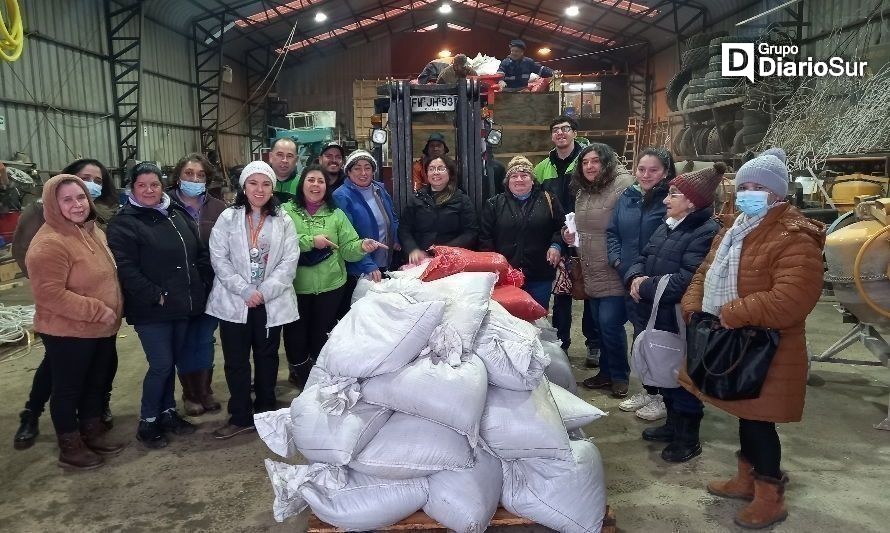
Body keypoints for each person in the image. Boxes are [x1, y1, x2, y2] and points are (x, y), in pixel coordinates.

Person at [679, 148, 824, 529]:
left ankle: (769, 496)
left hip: (768, 348)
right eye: (744, 185)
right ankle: (746, 480)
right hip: (734, 341)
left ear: (779, 193)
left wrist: (732, 313)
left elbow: (793, 298)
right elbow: (703, 274)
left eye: (759, 186)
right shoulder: (734, 228)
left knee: (760, 422)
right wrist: (695, 306)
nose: (748, 192)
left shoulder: (795, 236)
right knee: (745, 414)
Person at [13, 158, 120, 450]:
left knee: (94, 386)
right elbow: (50, 294)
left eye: (82, 197)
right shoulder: (49, 243)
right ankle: (70, 448)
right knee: (68, 390)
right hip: (70, 330)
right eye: (68, 199)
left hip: (99, 330)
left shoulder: (92, 231)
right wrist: (98, 310)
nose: (78, 204)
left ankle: (92, 434)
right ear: (52, 204)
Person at [107, 162, 213, 450]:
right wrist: (155, 294)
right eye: (142, 185)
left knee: (171, 363)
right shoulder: (125, 222)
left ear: (162, 185)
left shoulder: (175, 214)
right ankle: (148, 420)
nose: (149, 190)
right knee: (161, 364)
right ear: (132, 188)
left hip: (182, 304)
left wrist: (201, 282)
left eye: (153, 184)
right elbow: (125, 268)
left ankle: (167, 414)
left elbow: (198, 252)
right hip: (153, 309)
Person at [624, 163, 723, 463]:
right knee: (663, 370)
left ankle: (687, 438)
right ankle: (671, 426)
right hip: (657, 312)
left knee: (682, 377)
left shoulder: (705, 232)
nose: (666, 200)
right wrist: (634, 277)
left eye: (674, 195)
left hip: (679, 317)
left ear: (691, 201)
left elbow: (689, 278)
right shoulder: (670, 224)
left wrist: (645, 287)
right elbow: (643, 255)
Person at [205, 161, 300, 439]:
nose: (259, 189)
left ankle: (266, 411)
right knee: (236, 360)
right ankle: (240, 415)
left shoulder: (282, 219)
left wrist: (265, 291)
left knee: (267, 357)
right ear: (243, 187)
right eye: (253, 183)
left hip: (270, 302)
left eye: (266, 184)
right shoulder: (228, 218)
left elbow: (289, 261)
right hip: (236, 301)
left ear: (273, 188)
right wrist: (244, 290)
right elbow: (218, 257)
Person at [283, 164, 386, 387]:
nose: (316, 185)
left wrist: (362, 246)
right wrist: (311, 242)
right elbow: (279, 243)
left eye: (320, 181)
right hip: (295, 287)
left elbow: (347, 248)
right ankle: (302, 378)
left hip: (330, 287)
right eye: (311, 180)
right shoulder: (286, 212)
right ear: (302, 184)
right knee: (296, 339)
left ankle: (318, 381)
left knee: (322, 336)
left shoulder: (336, 214)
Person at [607, 147, 677, 420]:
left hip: (656, 280)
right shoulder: (628, 196)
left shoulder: (670, 200)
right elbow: (612, 232)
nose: (646, 175)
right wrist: (617, 261)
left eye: (654, 170)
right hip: (628, 275)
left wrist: (647, 274)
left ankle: (663, 396)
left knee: (659, 338)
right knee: (640, 336)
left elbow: (671, 239)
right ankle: (649, 390)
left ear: (665, 172)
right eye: (641, 169)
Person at [562, 143, 634, 398]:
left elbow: (628, 228)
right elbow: (585, 227)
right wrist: (571, 236)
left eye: (595, 161)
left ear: (606, 163)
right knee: (600, 326)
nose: (590, 166)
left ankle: (619, 375)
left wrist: (621, 262)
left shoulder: (623, 186)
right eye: (585, 162)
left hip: (613, 266)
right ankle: (606, 372)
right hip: (590, 266)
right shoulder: (585, 190)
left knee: (610, 323)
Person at [166, 154, 227, 417]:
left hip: (211, 284)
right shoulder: (164, 205)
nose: (194, 179)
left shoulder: (218, 208)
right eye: (189, 174)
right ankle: (189, 393)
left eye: (200, 175)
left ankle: (205, 390)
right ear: (178, 176)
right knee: (184, 341)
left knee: (203, 339)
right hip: (179, 286)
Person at [537, 116, 599, 367]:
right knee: (561, 293)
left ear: (574, 132)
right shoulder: (542, 167)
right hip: (559, 237)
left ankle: (593, 344)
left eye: (565, 129)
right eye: (555, 130)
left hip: (588, 236)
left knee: (590, 291)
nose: (560, 133)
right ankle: (561, 342)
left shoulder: (587, 162)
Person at [480, 155, 565, 310]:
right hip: (506, 278)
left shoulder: (549, 200)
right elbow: (485, 238)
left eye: (524, 175)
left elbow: (561, 227)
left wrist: (556, 245)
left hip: (539, 275)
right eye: (514, 176)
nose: (519, 179)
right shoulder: (494, 204)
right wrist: (497, 267)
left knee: (538, 318)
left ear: (532, 179)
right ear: (507, 181)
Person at [333, 150, 399, 315]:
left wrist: (396, 238)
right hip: (360, 269)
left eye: (367, 167)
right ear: (348, 171)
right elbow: (346, 238)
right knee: (360, 315)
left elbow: (393, 217)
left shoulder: (379, 189)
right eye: (357, 168)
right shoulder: (341, 196)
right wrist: (367, 264)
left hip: (384, 261)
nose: (363, 173)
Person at [400, 154, 478, 265]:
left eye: (441, 169)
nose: (435, 172)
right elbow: (404, 229)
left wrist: (445, 250)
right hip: (420, 261)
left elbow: (471, 232)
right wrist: (412, 249)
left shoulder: (462, 200)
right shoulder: (416, 199)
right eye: (431, 169)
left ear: (450, 173)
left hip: (452, 260)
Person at [269, 138, 300, 202]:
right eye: (280, 155)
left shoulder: (303, 184)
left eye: (289, 156)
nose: (284, 160)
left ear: (296, 160)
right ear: (271, 157)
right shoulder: (260, 182)